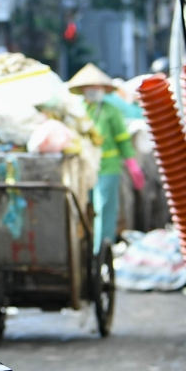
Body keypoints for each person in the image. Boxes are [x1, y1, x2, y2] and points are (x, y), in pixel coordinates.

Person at [66, 63, 146, 252]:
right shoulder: (78, 111)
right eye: (89, 88)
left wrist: (132, 164)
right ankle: (83, 252)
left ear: (103, 89)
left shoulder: (111, 111)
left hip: (108, 168)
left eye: (97, 88)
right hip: (84, 168)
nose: (93, 92)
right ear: (83, 90)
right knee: (84, 210)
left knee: (105, 211)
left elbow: (123, 141)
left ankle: (102, 253)